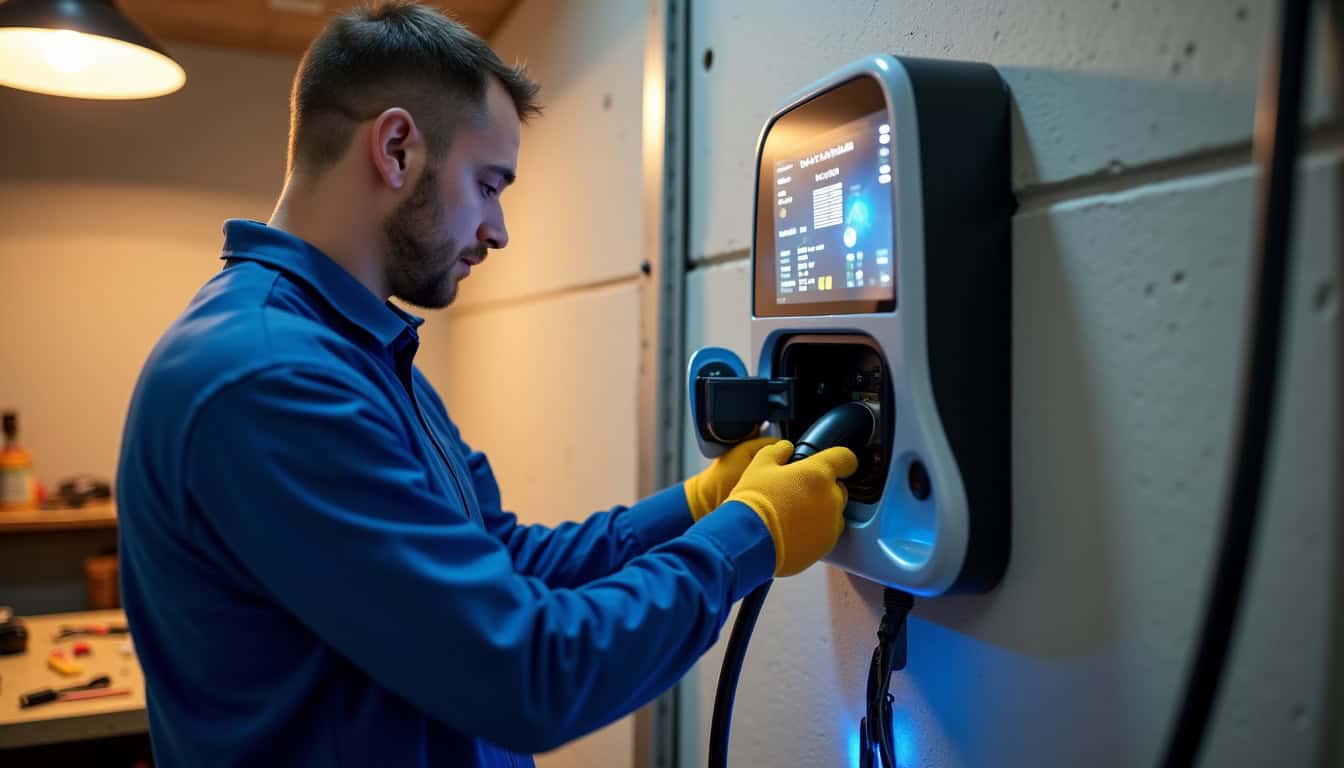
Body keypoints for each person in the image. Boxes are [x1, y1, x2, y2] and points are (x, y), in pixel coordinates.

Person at [116, 2, 856, 766]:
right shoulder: (270, 380)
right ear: (397, 149)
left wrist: (698, 506)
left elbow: (504, 562)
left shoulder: (360, 350)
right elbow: (528, 671)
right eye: (489, 184)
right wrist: (750, 536)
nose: (498, 229)